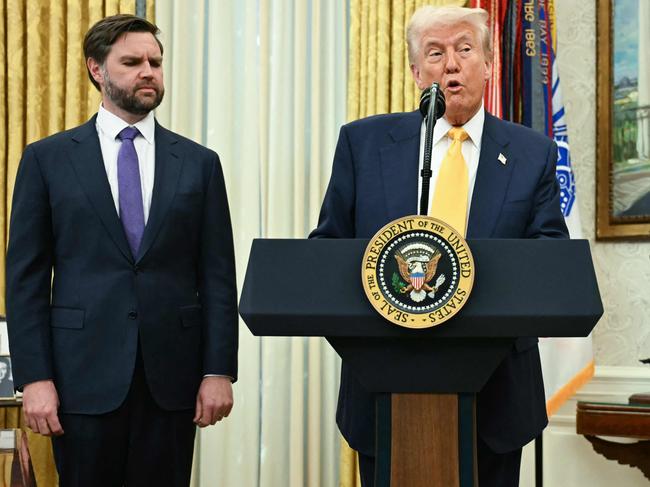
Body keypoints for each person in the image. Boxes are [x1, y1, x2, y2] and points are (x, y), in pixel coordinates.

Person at [310, 6, 568, 487]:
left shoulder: (532, 153)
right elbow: (328, 250)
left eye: (464, 50)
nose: (451, 64)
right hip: (385, 385)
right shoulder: (363, 145)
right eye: (435, 53)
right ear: (415, 72)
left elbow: (549, 258)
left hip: (498, 395)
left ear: (488, 64)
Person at [5, 14, 238, 487]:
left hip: (171, 381)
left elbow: (217, 275)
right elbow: (25, 281)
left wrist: (219, 371)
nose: (147, 71)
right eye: (131, 62)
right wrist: (34, 378)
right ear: (97, 70)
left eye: (155, 61)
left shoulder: (199, 163)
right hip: (79, 380)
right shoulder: (47, 160)